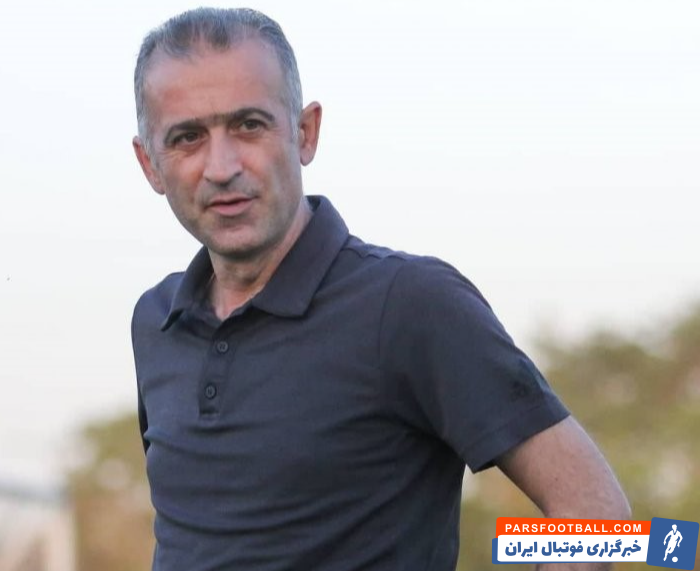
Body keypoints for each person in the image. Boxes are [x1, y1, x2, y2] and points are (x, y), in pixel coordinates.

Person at [130, 7, 630, 570]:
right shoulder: (156, 321)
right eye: (188, 138)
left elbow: (598, 516)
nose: (221, 167)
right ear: (150, 164)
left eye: (249, 125)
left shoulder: (411, 304)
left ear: (305, 132)